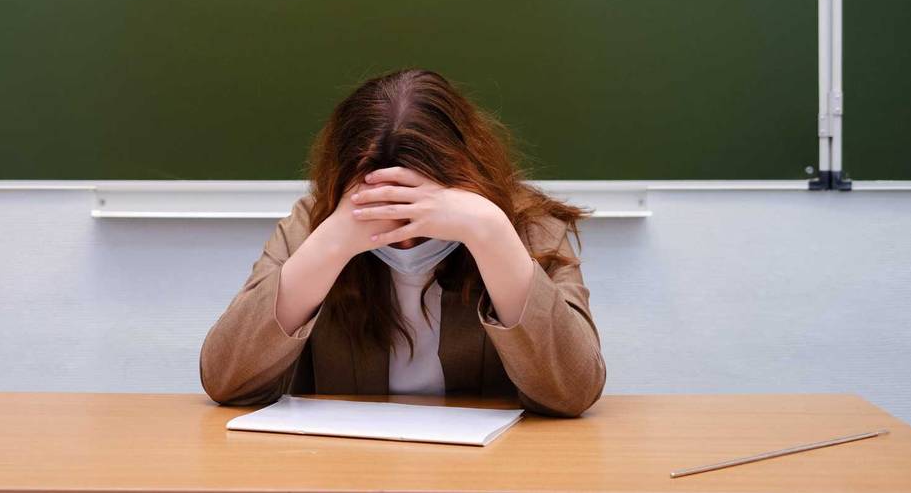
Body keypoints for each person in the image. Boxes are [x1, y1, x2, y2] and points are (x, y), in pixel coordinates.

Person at [199, 68, 606, 416]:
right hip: (349, 465)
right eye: (381, 211)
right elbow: (226, 381)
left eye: (418, 214)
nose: (405, 241)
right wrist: (330, 246)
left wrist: (492, 236)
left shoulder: (527, 227)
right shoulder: (313, 226)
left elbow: (573, 393)